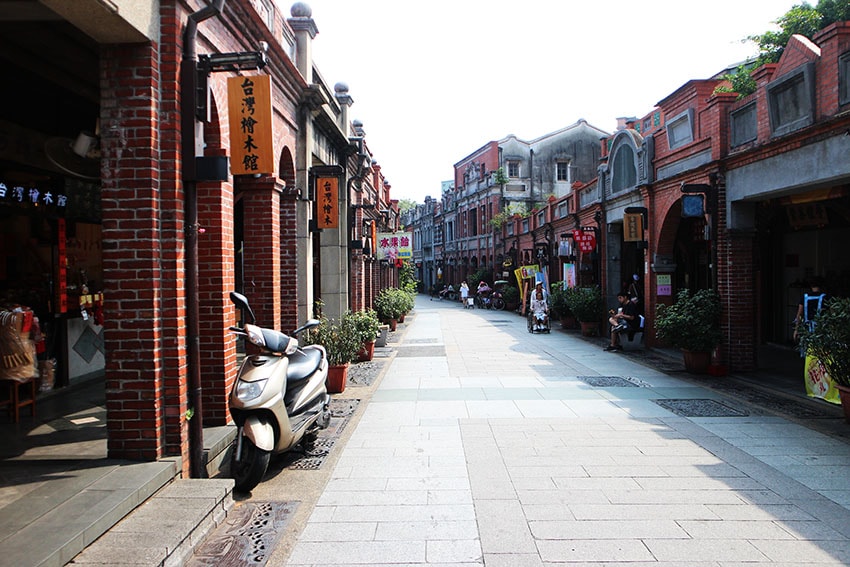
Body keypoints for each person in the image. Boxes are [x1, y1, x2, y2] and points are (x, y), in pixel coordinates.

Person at [794, 277, 829, 343]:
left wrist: (796, 329)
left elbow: (799, 314)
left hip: (807, 330)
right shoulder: (825, 297)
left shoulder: (805, 297)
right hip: (821, 330)